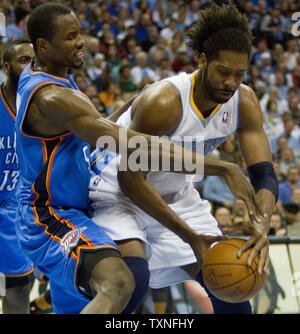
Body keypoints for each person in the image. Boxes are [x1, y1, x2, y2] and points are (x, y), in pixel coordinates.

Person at [15, 2, 259, 315]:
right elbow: (131, 143)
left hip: (72, 205)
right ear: (44, 45)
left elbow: (94, 128)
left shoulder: (49, 75)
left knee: (106, 291)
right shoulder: (53, 97)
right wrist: (221, 168)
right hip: (49, 211)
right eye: (71, 36)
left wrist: (130, 105)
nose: (81, 42)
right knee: (119, 283)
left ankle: (52, 296)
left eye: (80, 33)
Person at [90, 3, 278, 314]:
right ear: (202, 60)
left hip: (176, 196)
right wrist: (189, 236)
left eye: (240, 74)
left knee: (232, 290)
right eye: (224, 72)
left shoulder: (243, 101)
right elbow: (130, 179)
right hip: (118, 194)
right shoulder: (164, 102)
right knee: (129, 283)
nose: (232, 82)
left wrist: (261, 223)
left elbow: (264, 173)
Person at [0, 38, 35, 314]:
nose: (30, 67)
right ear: (6, 66)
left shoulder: (41, 108)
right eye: (23, 61)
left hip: (13, 211)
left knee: (19, 288)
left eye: (34, 62)